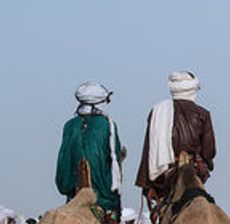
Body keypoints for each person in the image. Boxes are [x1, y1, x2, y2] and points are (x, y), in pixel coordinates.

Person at [136, 71, 216, 206]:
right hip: (194, 169)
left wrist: (146, 184)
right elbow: (209, 152)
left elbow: (148, 151)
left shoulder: (157, 112)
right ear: (193, 89)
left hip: (166, 174)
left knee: (161, 212)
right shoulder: (203, 114)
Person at [56, 81, 124, 214]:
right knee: (113, 222)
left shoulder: (69, 125)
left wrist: (66, 186)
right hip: (101, 195)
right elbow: (113, 159)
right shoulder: (107, 125)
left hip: (73, 193)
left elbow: (63, 162)